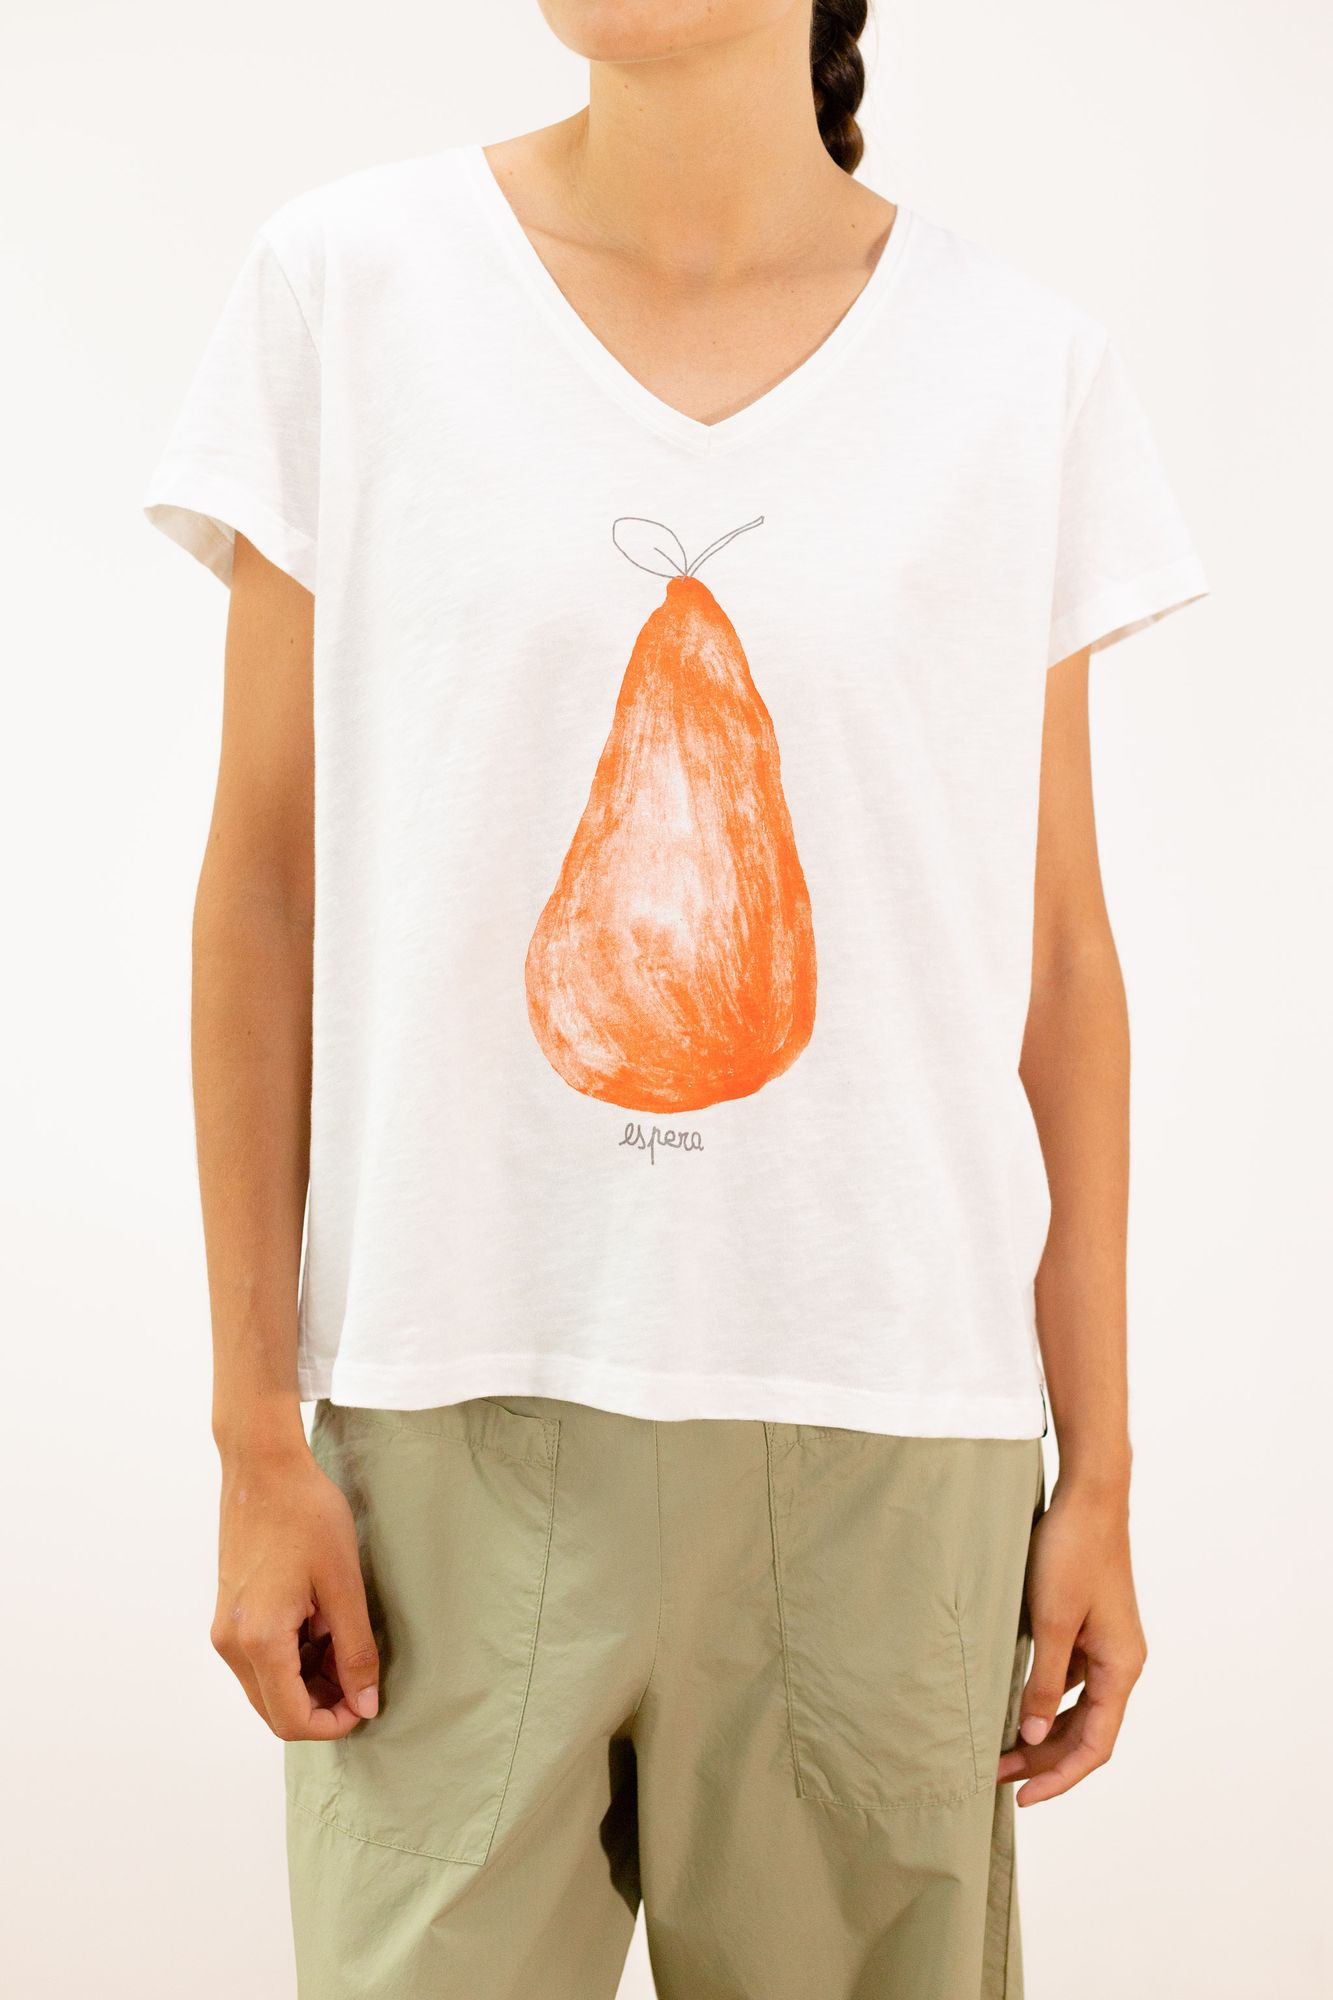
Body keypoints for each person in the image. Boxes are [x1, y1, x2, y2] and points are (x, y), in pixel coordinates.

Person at [142, 2, 1207, 1993]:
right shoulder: (350, 293)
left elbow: (1057, 959)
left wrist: (1105, 1474)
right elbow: (264, 893)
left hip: (889, 1445)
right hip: (446, 1424)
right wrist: (251, 1434)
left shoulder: (1017, 367)